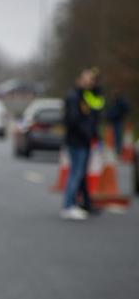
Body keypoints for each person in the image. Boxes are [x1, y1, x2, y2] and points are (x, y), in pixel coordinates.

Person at [62, 68, 99, 220]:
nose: (89, 82)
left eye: (91, 80)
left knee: (78, 173)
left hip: (82, 140)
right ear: (80, 80)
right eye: (87, 79)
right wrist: (86, 132)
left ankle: (73, 204)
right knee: (75, 174)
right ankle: (68, 206)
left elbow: (96, 109)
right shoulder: (74, 97)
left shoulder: (86, 96)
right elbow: (74, 120)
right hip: (77, 140)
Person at [105, 90, 130, 156]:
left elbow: (125, 109)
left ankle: (118, 151)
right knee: (113, 136)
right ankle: (114, 151)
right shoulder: (115, 102)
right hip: (112, 122)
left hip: (118, 121)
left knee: (118, 136)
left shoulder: (120, 102)